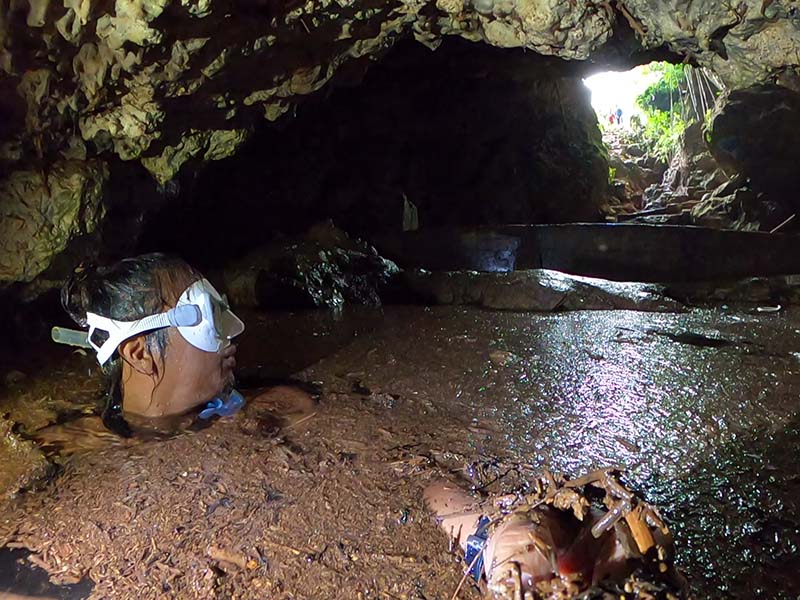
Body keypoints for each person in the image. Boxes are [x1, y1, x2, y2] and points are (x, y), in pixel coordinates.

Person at [56, 253, 245, 436]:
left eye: (222, 311)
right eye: (210, 315)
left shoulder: (252, 416)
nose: (234, 329)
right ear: (140, 353)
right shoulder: (78, 450)